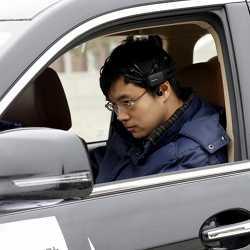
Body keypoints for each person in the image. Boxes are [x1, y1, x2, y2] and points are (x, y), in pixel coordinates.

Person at [91, 36, 229, 184]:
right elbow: (106, 162)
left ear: (162, 90)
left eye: (127, 102)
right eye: (114, 105)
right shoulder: (136, 132)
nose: (120, 116)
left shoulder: (195, 158)